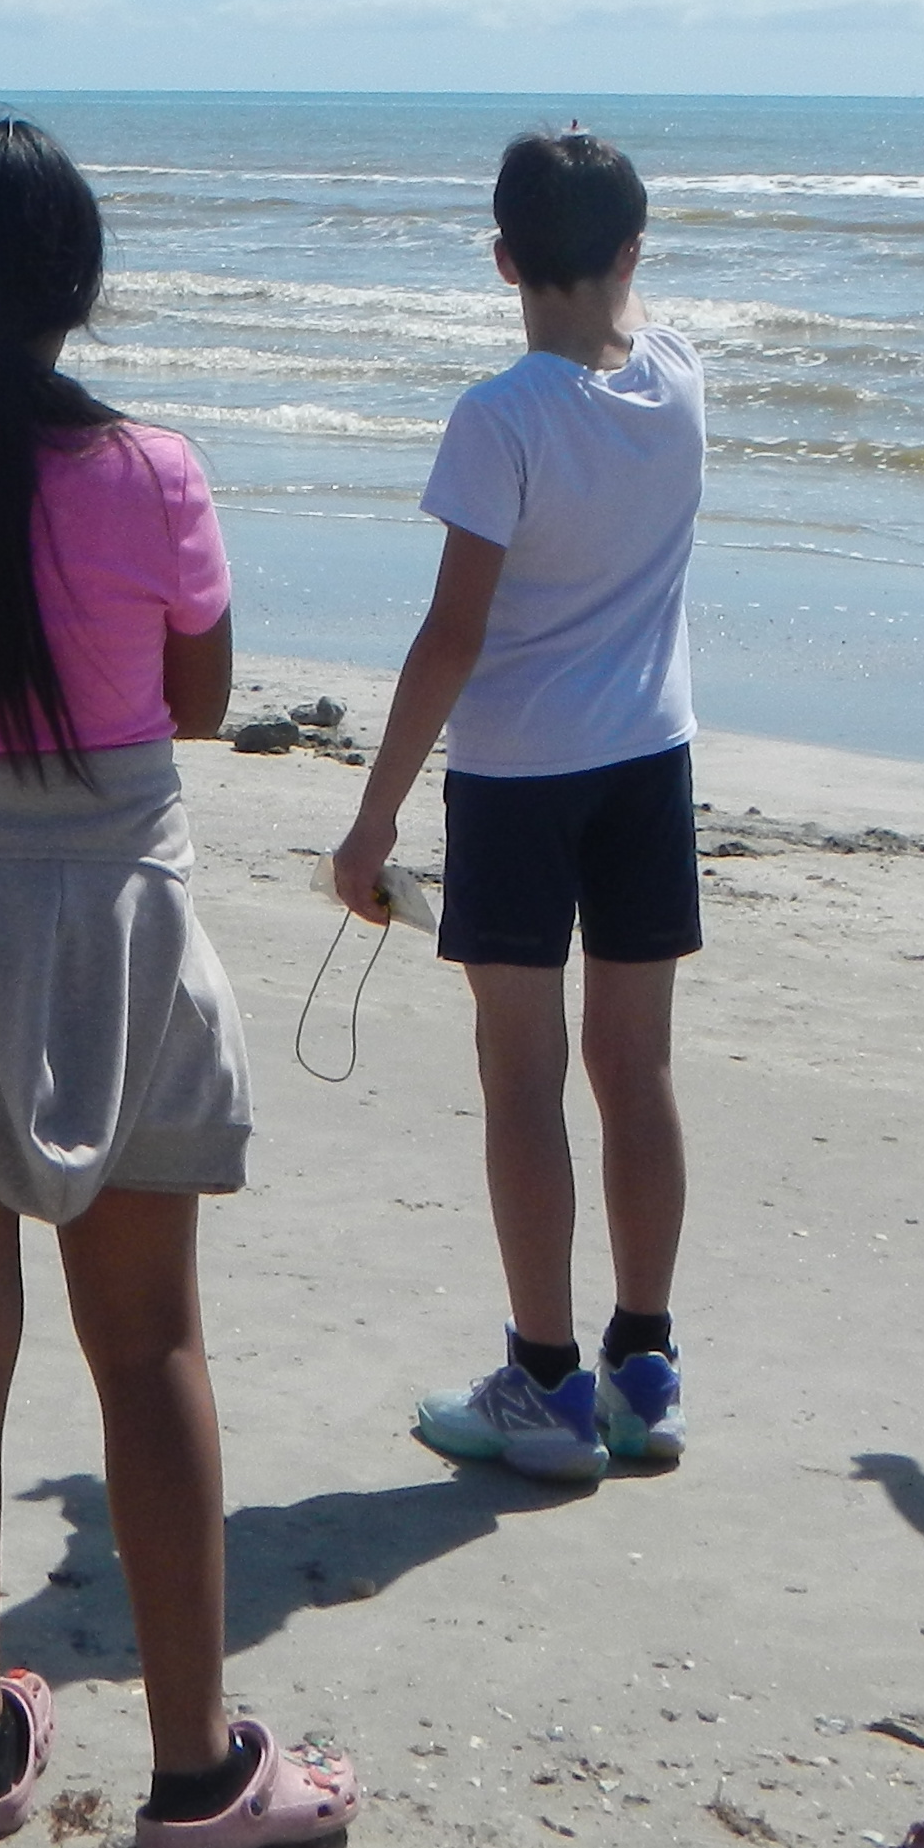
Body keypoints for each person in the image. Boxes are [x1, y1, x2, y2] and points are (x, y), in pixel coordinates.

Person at [0, 116, 359, 1848]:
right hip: (108, 910)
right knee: (150, 1347)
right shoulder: (154, 474)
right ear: (77, 291)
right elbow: (193, 698)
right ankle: (196, 1768)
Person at [331, 130, 708, 1486]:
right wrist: (612, 261)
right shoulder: (676, 378)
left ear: (500, 262)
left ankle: (548, 1382)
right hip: (646, 762)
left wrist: (373, 819)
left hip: (518, 775)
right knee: (636, 1070)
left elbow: (452, 634)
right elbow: (626, 321)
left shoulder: (500, 418)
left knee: (522, 1076)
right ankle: (644, 1369)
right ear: (631, 254)